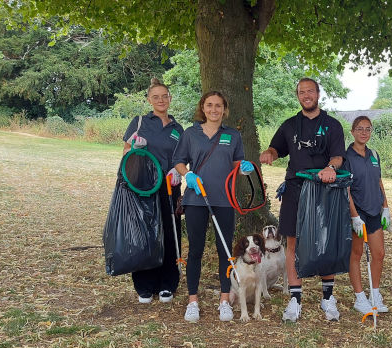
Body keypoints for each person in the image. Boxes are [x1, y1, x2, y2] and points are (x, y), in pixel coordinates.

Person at [259, 78, 346, 322]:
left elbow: (338, 157)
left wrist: (330, 168)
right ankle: (295, 300)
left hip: (324, 192)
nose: (306, 95)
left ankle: (328, 298)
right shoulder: (289, 125)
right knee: (293, 244)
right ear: (297, 96)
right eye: (301, 92)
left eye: (310, 91)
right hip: (296, 191)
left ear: (318, 94)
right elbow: (276, 149)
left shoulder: (332, 125)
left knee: (326, 243)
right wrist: (269, 153)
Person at [172, 91, 254, 323]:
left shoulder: (233, 135)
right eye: (209, 105)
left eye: (218, 105)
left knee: (224, 252)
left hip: (224, 200)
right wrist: (187, 175)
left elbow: (238, 163)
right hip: (196, 199)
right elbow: (178, 161)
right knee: (195, 250)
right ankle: (193, 302)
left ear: (224, 109)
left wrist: (245, 168)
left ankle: (224, 300)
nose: (214, 109)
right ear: (203, 107)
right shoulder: (191, 133)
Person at [122, 78, 184, 305]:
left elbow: (181, 158)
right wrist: (135, 150)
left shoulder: (178, 128)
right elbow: (126, 153)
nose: (161, 100)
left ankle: (168, 284)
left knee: (170, 234)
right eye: (155, 96)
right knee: (145, 235)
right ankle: (145, 286)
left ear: (170, 98)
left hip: (169, 188)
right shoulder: (139, 122)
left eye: (164, 96)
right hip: (144, 187)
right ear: (149, 100)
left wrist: (178, 171)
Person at [344, 116, 390, 315]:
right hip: (357, 212)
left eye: (368, 129)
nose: (364, 132)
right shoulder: (346, 157)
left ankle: (375, 294)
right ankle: (359, 297)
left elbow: (378, 181)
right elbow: (345, 189)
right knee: (357, 254)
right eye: (360, 129)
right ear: (353, 131)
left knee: (379, 254)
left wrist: (386, 207)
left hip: (374, 211)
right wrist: (354, 216)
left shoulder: (374, 154)